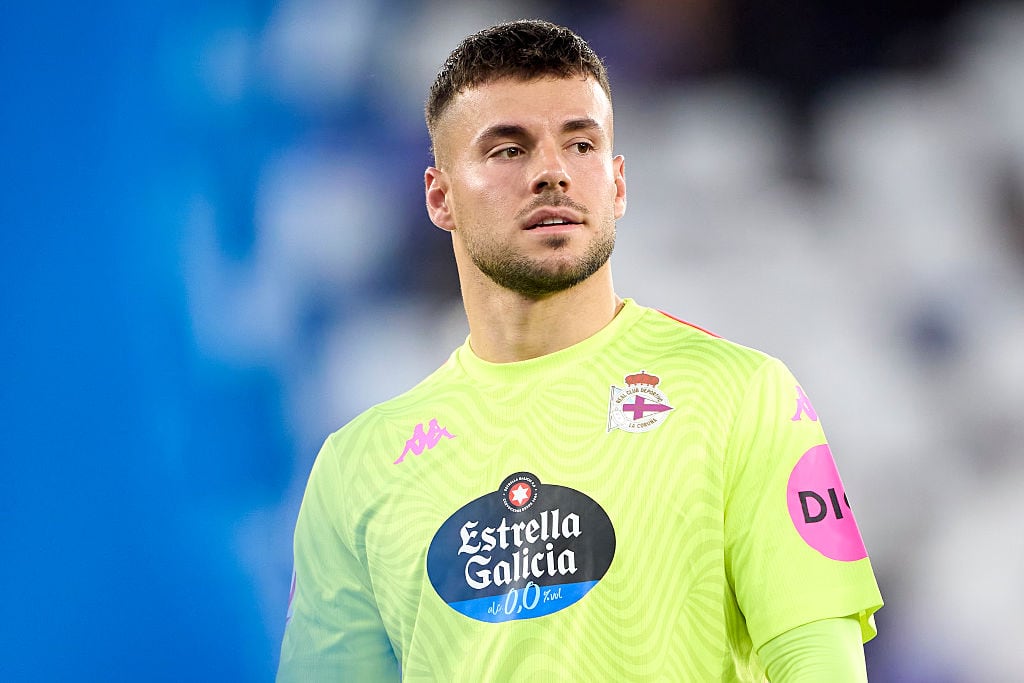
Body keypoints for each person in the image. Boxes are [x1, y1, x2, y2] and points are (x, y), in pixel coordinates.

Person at [277, 19, 883, 682]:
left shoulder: (743, 397)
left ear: (617, 184)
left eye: (581, 144)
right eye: (508, 150)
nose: (552, 173)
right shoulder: (357, 466)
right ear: (440, 196)